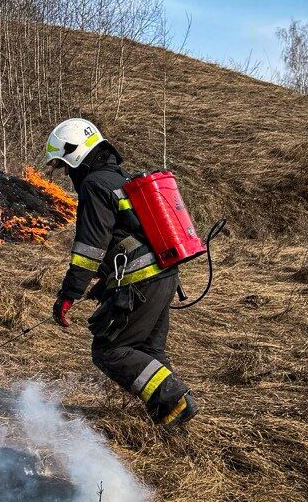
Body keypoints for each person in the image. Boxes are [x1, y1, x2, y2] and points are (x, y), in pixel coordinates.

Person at [43, 118, 199, 429]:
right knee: (147, 351)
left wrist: (69, 294)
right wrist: (105, 281)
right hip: (164, 278)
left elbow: (90, 246)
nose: (66, 173)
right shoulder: (119, 177)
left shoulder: (94, 184)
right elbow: (127, 234)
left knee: (109, 351)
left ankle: (174, 398)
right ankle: (170, 419)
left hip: (141, 282)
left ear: (74, 154)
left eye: (64, 164)